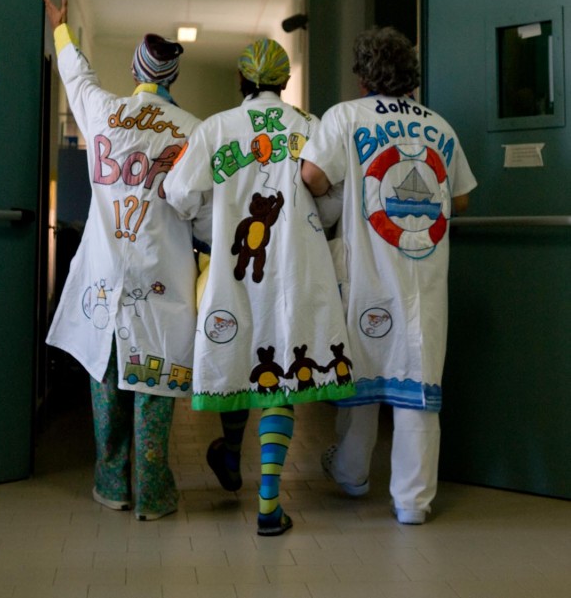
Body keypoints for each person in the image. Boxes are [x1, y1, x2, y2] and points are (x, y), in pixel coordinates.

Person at [163, 38, 354, 536]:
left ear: (241, 80)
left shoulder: (216, 128)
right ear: (285, 82)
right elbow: (332, 201)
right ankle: (269, 505)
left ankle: (230, 453)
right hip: (298, 271)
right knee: (279, 372)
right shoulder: (310, 127)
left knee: (238, 356)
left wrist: (213, 223)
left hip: (234, 267)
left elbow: (179, 193)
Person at [301, 26, 476, 525]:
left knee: (363, 372)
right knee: (418, 383)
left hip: (368, 272)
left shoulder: (345, 116)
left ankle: (352, 473)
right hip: (423, 274)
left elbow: (312, 176)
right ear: (411, 76)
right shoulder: (439, 126)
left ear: (363, 76)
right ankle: (413, 502)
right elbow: (461, 198)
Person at [44, 0, 207, 521]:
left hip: (105, 274)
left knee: (105, 377)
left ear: (136, 72)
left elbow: (77, 75)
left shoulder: (104, 112)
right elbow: (201, 213)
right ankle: (153, 495)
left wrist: (61, 29)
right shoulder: (193, 132)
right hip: (161, 277)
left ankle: (111, 484)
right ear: (172, 78)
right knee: (154, 383)